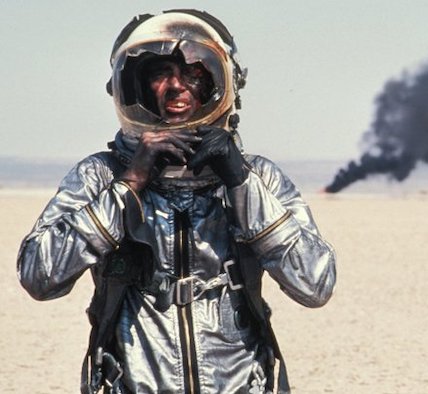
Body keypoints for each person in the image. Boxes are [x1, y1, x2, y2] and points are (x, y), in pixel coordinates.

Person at [17, 9, 336, 394]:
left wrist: (240, 182)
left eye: (194, 73)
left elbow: (315, 284)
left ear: (221, 82)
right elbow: (39, 276)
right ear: (132, 85)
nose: (176, 86)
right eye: (158, 73)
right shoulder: (100, 176)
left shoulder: (257, 178)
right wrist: (129, 184)